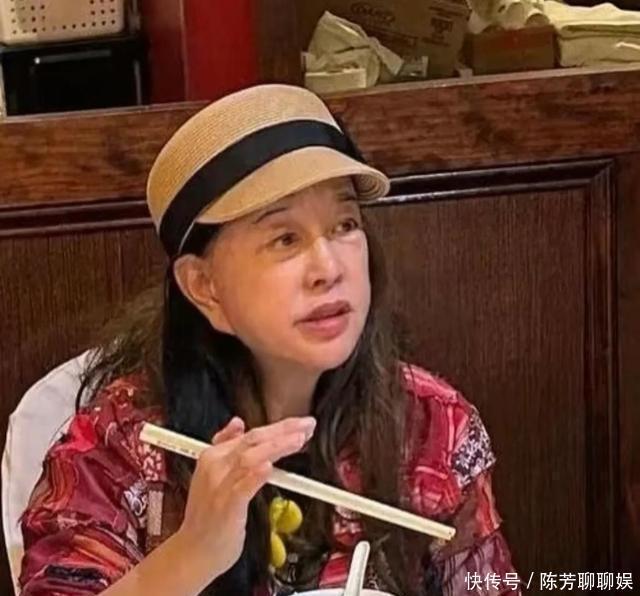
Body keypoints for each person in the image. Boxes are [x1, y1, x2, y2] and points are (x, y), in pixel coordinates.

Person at [19, 84, 519, 596]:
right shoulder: (119, 445)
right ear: (205, 287)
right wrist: (193, 553)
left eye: (345, 224)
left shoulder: (433, 426)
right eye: (285, 238)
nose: (329, 268)